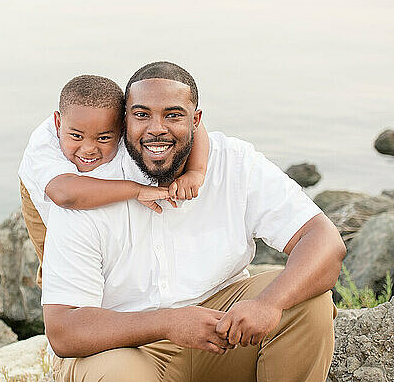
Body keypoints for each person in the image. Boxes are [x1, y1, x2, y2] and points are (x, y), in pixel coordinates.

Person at [42, 62, 346, 382]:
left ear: (196, 120)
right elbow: (64, 330)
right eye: (142, 115)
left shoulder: (234, 162)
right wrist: (169, 323)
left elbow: (324, 239)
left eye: (173, 115)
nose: (156, 128)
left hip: (221, 333)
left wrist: (269, 304)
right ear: (124, 120)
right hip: (124, 347)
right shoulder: (87, 187)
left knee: (304, 299)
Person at [18, 74, 210, 288]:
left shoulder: (127, 123)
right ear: (58, 123)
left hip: (97, 187)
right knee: (59, 267)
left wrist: (196, 172)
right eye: (76, 137)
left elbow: (197, 126)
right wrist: (136, 190)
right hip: (46, 192)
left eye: (103, 138)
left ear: (123, 124)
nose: (88, 149)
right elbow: (65, 194)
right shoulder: (44, 144)